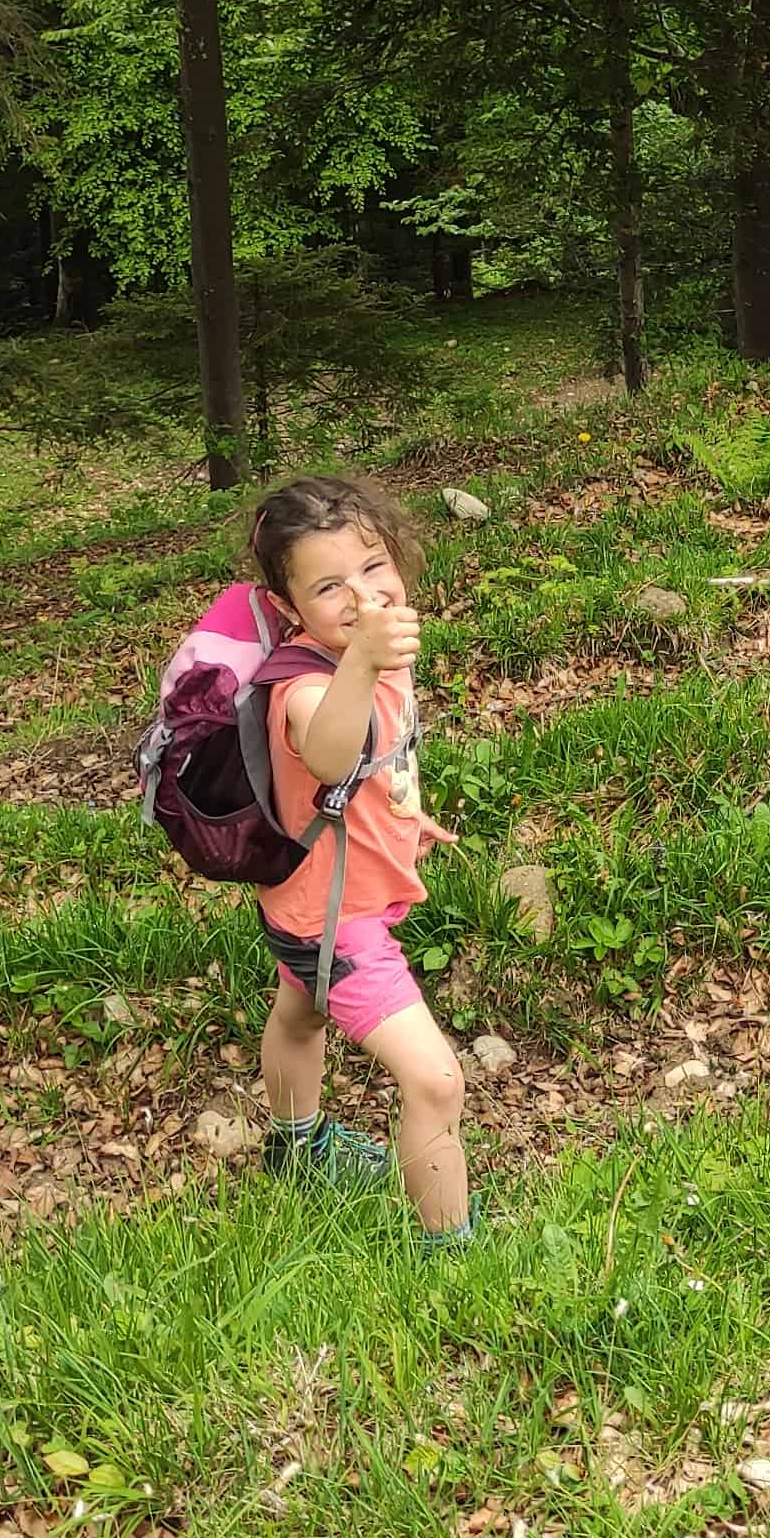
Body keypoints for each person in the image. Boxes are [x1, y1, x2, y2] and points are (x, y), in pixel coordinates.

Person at [246, 476, 474, 1242]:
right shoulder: (309, 684)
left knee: (300, 1014)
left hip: (310, 898)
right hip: (331, 922)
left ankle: (297, 1149)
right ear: (287, 608)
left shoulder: (369, 655)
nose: (362, 595)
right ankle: (452, 1254)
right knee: (435, 1081)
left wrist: (403, 815)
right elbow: (329, 753)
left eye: (374, 566)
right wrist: (363, 662)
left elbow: (374, 761)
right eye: (329, 586)